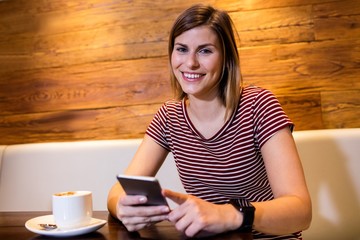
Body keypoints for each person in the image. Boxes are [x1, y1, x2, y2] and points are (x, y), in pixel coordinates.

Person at [107, 4, 312, 239]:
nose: (191, 63)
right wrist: (121, 206)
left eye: (205, 51)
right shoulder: (169, 116)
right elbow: (118, 190)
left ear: (226, 58)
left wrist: (230, 215)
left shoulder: (259, 105)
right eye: (181, 49)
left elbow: (301, 211)